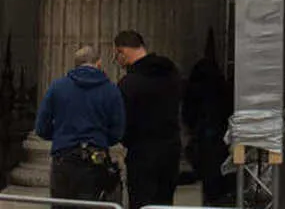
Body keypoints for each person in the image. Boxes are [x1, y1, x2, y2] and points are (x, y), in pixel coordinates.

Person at [35, 45, 125, 200]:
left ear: (75, 64)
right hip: (96, 158)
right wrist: (101, 139)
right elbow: (118, 131)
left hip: (63, 157)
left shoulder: (57, 87)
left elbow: (41, 127)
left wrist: (60, 135)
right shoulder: (111, 90)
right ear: (98, 64)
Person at [114, 30, 183, 209]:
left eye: (117, 55)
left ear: (123, 51)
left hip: (142, 154)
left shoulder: (129, 83)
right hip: (170, 150)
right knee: (164, 203)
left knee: (142, 203)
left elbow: (123, 123)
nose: (117, 61)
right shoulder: (171, 74)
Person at [182, 41, 235, 206]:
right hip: (217, 134)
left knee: (206, 176)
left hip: (201, 135)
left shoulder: (195, 86)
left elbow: (187, 112)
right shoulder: (220, 85)